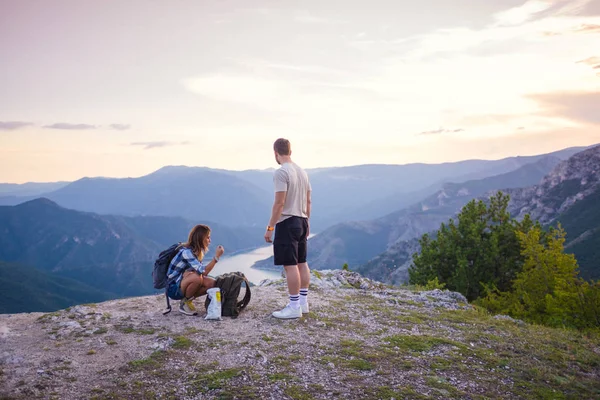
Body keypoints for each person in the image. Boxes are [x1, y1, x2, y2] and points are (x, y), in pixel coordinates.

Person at [264, 138, 312, 319]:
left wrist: (270, 227)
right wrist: (307, 222)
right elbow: (308, 201)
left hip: (287, 222)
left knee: (290, 265)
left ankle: (293, 307)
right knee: (302, 262)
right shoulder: (303, 172)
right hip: (302, 220)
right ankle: (303, 303)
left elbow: (279, 203)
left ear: (276, 152)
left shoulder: (281, 173)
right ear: (290, 151)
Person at [166, 224, 225, 316]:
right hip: (173, 288)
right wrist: (216, 257)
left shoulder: (197, 251)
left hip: (182, 282)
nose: (210, 240)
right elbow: (203, 271)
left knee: (212, 283)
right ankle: (185, 304)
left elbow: (202, 273)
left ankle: (187, 300)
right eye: (208, 238)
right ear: (201, 238)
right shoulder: (186, 252)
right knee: (197, 278)